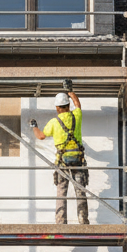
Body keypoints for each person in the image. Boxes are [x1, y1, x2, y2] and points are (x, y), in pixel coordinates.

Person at [30, 80, 88, 225]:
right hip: (78, 162)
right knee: (80, 192)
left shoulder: (54, 122)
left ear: (57, 108)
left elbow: (41, 136)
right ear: (68, 105)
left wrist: (34, 126)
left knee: (61, 193)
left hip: (62, 164)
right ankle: (83, 221)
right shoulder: (76, 116)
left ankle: (60, 222)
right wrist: (70, 91)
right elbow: (78, 104)